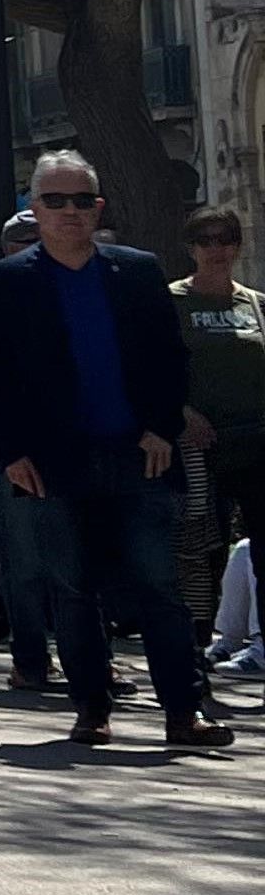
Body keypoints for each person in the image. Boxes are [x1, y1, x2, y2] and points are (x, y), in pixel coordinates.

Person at [0, 151, 232, 751]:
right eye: (55, 201)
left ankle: (183, 715)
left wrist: (162, 427)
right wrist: (10, 452)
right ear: (35, 211)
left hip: (141, 457)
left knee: (159, 587)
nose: (69, 212)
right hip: (53, 465)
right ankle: (91, 709)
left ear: (98, 208)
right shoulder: (9, 283)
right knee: (74, 590)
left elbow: (171, 360)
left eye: (81, 200)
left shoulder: (137, 272)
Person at [172, 206, 265, 648]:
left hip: (256, 447)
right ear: (191, 248)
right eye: (206, 240)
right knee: (201, 555)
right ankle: (192, 662)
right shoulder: (172, 302)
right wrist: (184, 413)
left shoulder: (255, 304)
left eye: (225, 239)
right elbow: (148, 372)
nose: (217, 249)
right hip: (199, 451)